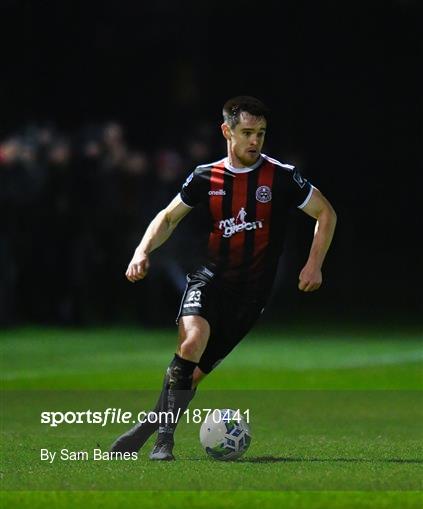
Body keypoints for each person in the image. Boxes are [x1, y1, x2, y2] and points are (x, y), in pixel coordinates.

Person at [109, 96, 337, 460]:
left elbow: (325, 214)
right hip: (210, 280)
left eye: (261, 133)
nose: (254, 141)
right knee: (191, 343)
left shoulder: (281, 176)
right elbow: (168, 218)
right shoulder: (206, 176)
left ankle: (149, 426)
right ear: (226, 131)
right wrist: (141, 251)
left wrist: (314, 264)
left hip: (250, 298)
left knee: (191, 376)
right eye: (247, 132)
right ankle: (164, 443)